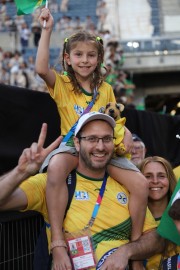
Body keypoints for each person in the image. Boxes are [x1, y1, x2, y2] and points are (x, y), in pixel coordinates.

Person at [35, 8, 148, 269]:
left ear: (98, 59)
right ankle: (58, 243)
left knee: (141, 185)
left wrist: (127, 132)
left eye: (91, 55)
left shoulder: (106, 89)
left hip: (103, 150)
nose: (85, 60)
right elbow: (41, 68)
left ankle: (135, 252)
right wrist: (47, 29)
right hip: (72, 147)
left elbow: (115, 120)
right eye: (78, 55)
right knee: (55, 169)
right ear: (68, 58)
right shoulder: (62, 84)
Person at [0, 112, 165, 270]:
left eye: (107, 139)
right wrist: (21, 173)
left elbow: (155, 240)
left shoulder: (126, 186)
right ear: (77, 143)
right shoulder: (53, 183)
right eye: (91, 139)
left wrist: (127, 252)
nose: (100, 146)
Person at [139, 156, 180, 270]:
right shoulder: (130, 216)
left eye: (161, 176)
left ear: (169, 179)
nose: (155, 181)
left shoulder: (178, 215)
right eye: (148, 176)